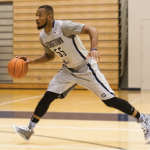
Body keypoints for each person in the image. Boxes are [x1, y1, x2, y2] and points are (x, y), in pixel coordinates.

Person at [12, 5, 150, 141]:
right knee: (48, 96)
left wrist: (94, 48)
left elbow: (92, 29)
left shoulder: (64, 27)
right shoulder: (43, 36)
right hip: (68, 70)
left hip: (86, 68)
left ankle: (144, 118)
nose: (37, 18)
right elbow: (49, 57)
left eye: (40, 15)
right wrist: (29, 62)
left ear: (49, 16)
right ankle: (29, 128)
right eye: (36, 15)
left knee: (110, 101)